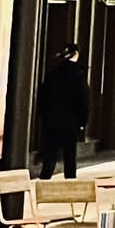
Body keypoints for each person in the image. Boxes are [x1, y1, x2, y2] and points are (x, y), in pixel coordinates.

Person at [34, 44, 91, 178]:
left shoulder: (52, 74)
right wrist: (83, 122)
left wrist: (44, 117)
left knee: (49, 157)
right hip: (71, 123)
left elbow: (42, 98)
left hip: (51, 122)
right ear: (76, 54)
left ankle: (44, 183)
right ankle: (70, 188)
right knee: (70, 157)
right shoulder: (78, 75)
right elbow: (83, 100)